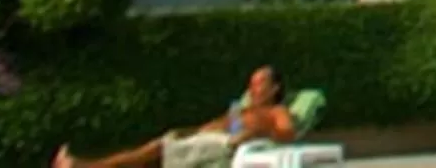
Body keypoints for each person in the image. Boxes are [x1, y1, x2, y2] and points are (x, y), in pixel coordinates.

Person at [54, 66, 295, 168]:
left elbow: (288, 134)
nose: (253, 88)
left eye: (260, 83)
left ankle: (83, 166)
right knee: (157, 147)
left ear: (275, 88)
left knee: (154, 149)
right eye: (252, 83)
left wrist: (259, 132)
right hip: (210, 139)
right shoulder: (239, 109)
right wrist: (189, 131)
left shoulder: (276, 111)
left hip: (230, 145)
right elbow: (214, 126)